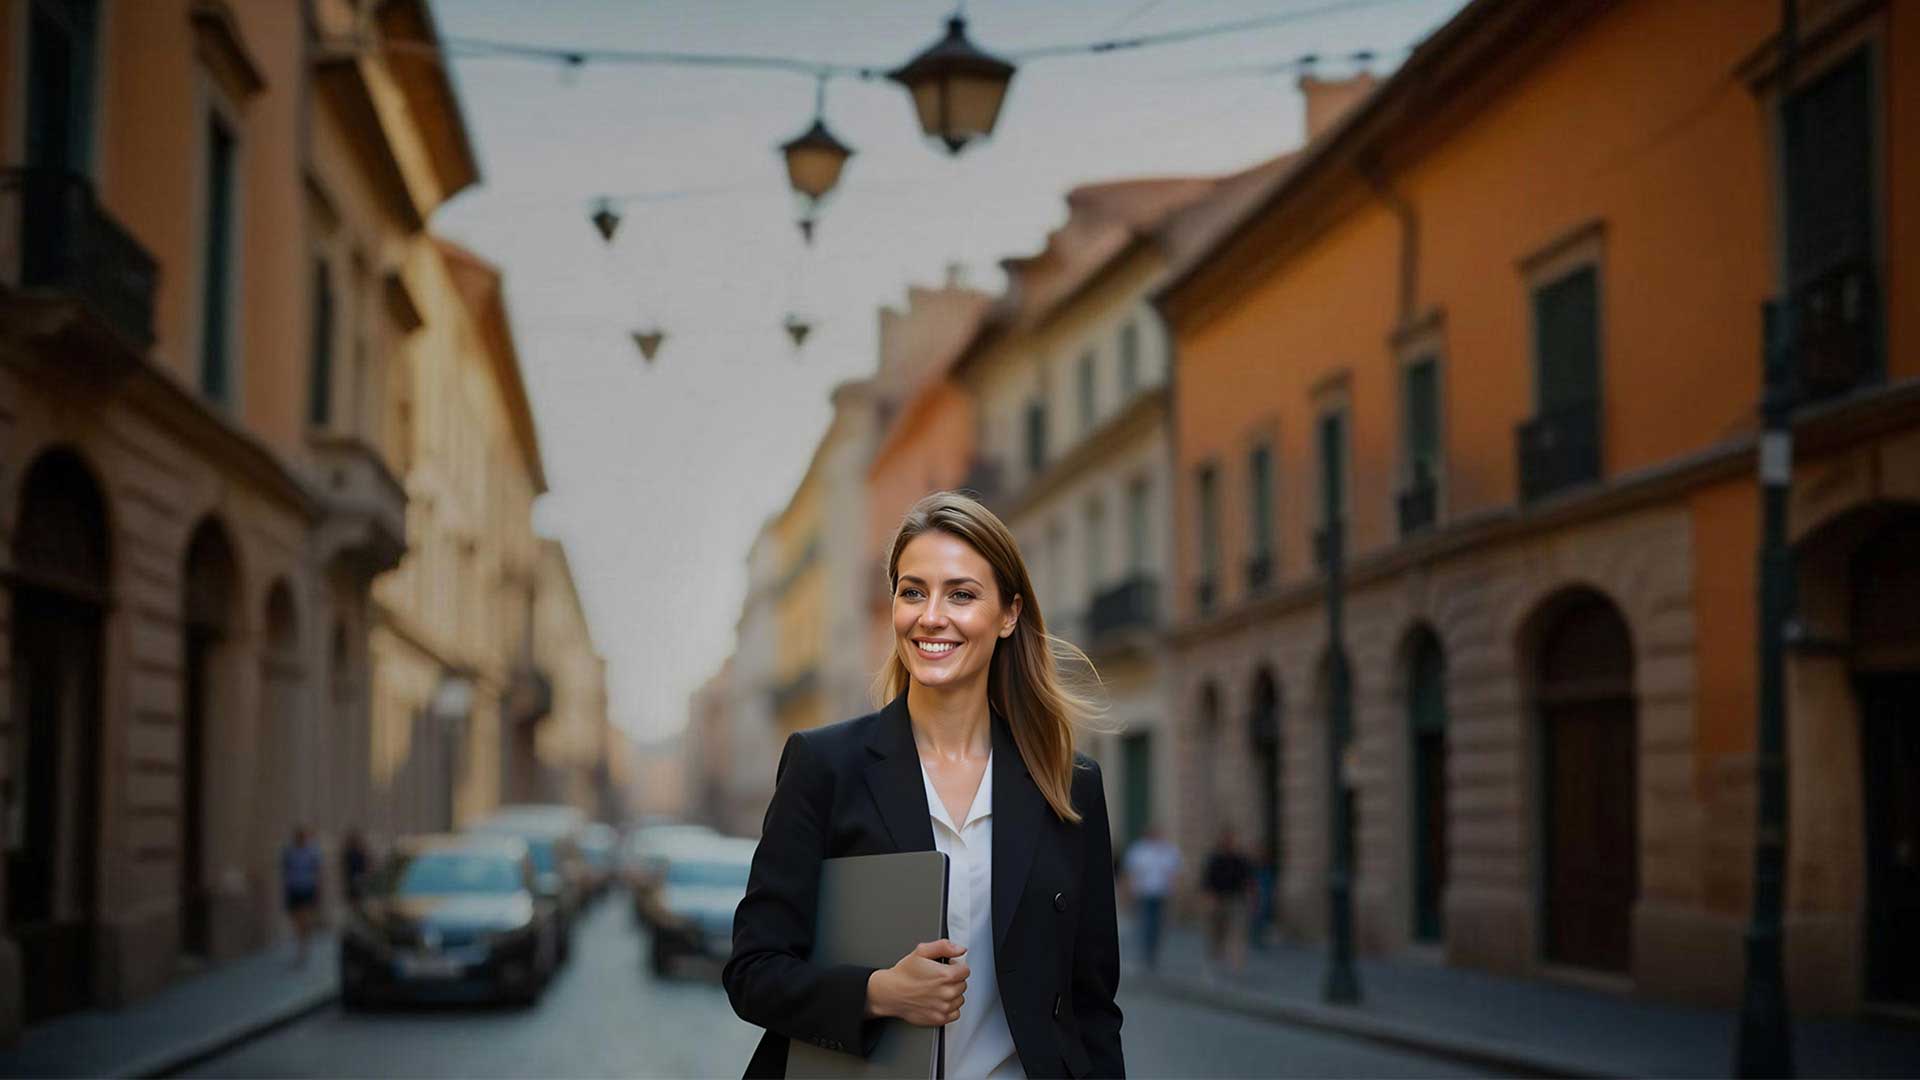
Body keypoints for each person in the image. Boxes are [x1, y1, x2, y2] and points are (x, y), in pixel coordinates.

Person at [725, 491, 1125, 1079]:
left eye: (961, 594)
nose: (931, 615)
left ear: (1009, 614)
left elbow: (1093, 1007)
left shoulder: (1068, 784)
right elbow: (752, 972)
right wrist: (877, 993)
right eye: (913, 591)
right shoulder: (825, 766)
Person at [1120, 825, 1181, 971]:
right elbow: (1130, 872)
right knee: (1146, 922)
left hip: (1161, 892)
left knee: (1159, 923)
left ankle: (1154, 950)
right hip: (1144, 892)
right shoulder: (1139, 850)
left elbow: (1174, 872)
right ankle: (1146, 951)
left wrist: (1174, 890)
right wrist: (1128, 891)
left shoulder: (1168, 850)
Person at [1201, 826, 1253, 979]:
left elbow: (1248, 881)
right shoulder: (1214, 859)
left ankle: (1237, 966)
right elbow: (1207, 882)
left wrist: (1250, 898)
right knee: (1216, 935)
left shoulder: (1240, 860)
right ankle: (1213, 962)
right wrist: (1208, 901)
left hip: (1236, 900)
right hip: (1218, 900)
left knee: (1237, 933)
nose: (1230, 842)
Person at [280, 825, 323, 966]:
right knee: (296, 920)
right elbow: (285, 870)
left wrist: (318, 890)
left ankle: (303, 949)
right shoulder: (289, 851)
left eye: (302, 836)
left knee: (305, 919)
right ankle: (301, 942)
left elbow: (317, 871)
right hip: (294, 889)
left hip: (307, 888)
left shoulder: (312, 851)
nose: (300, 839)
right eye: (298, 836)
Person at [341, 828, 371, 907]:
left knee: (359, 898)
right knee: (354, 899)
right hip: (353, 880)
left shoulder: (359, 853)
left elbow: (365, 866)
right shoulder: (350, 854)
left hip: (359, 879)